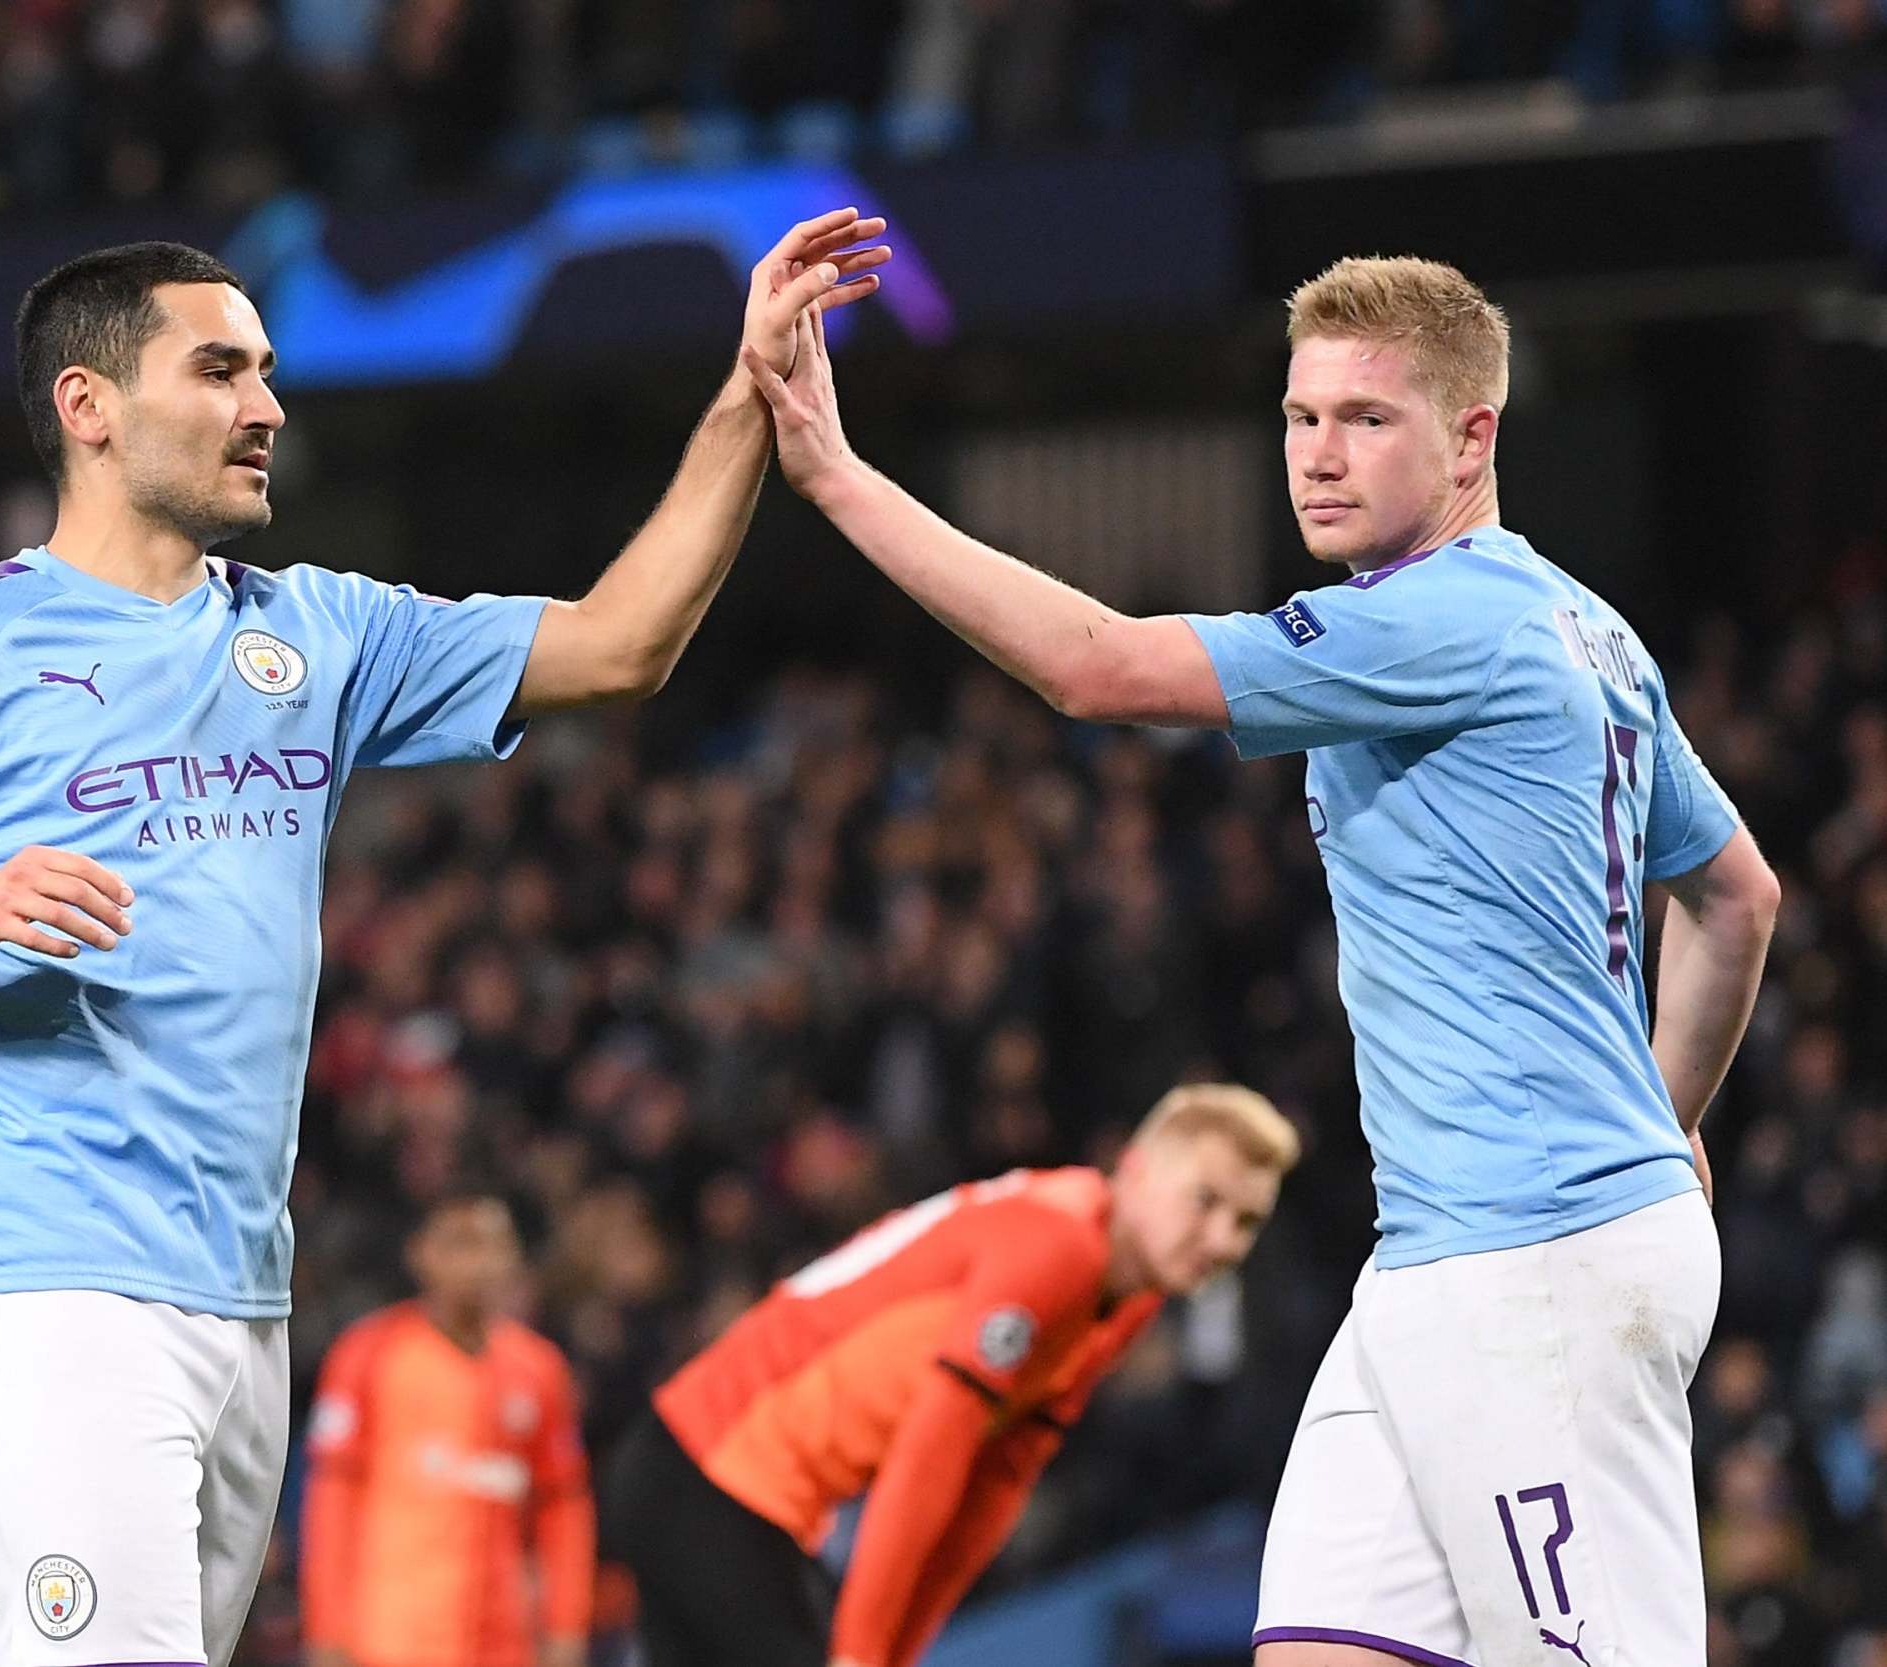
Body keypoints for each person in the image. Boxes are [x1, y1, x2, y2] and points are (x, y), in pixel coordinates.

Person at [0, 209, 889, 1667]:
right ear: (88, 408)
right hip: (57, 1277)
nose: (266, 406)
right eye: (218, 371)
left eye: (266, 371)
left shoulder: (318, 635)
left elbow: (620, 641)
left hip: (245, 1293)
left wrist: (741, 394)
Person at [742, 259, 1781, 1666]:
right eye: (1298, 418)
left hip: (1533, 1260)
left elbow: (1096, 667)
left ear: (1472, 438)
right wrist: (1665, 1119)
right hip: (1438, 1255)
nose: (1316, 455)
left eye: (1364, 418)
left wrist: (835, 479)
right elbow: (1732, 894)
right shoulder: (1583, 625)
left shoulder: (1438, 618)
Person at [605, 1083, 1298, 1667]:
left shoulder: (1125, 1295)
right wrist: (861, 1654)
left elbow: (993, 1485)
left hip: (721, 1489)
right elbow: (930, 1452)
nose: (1222, 1240)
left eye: (1247, 1220)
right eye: (1204, 1200)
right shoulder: (1060, 1247)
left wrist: (888, 1654)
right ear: (1137, 1167)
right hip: (709, 1479)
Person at [300, 1189, 592, 1667]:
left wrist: (565, 1633)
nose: (480, 1264)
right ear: (421, 1254)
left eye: (495, 1244)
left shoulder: (540, 1370)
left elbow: (564, 1511)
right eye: (461, 1244)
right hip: (389, 1643)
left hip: (503, 1646)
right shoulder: (367, 1356)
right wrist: (327, 1635)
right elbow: (331, 1504)